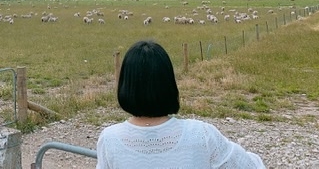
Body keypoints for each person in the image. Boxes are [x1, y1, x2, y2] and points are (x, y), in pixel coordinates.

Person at [96, 40, 265, 168]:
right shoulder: (201, 134)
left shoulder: (109, 139)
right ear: (169, 84)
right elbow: (251, 166)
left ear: (125, 85)